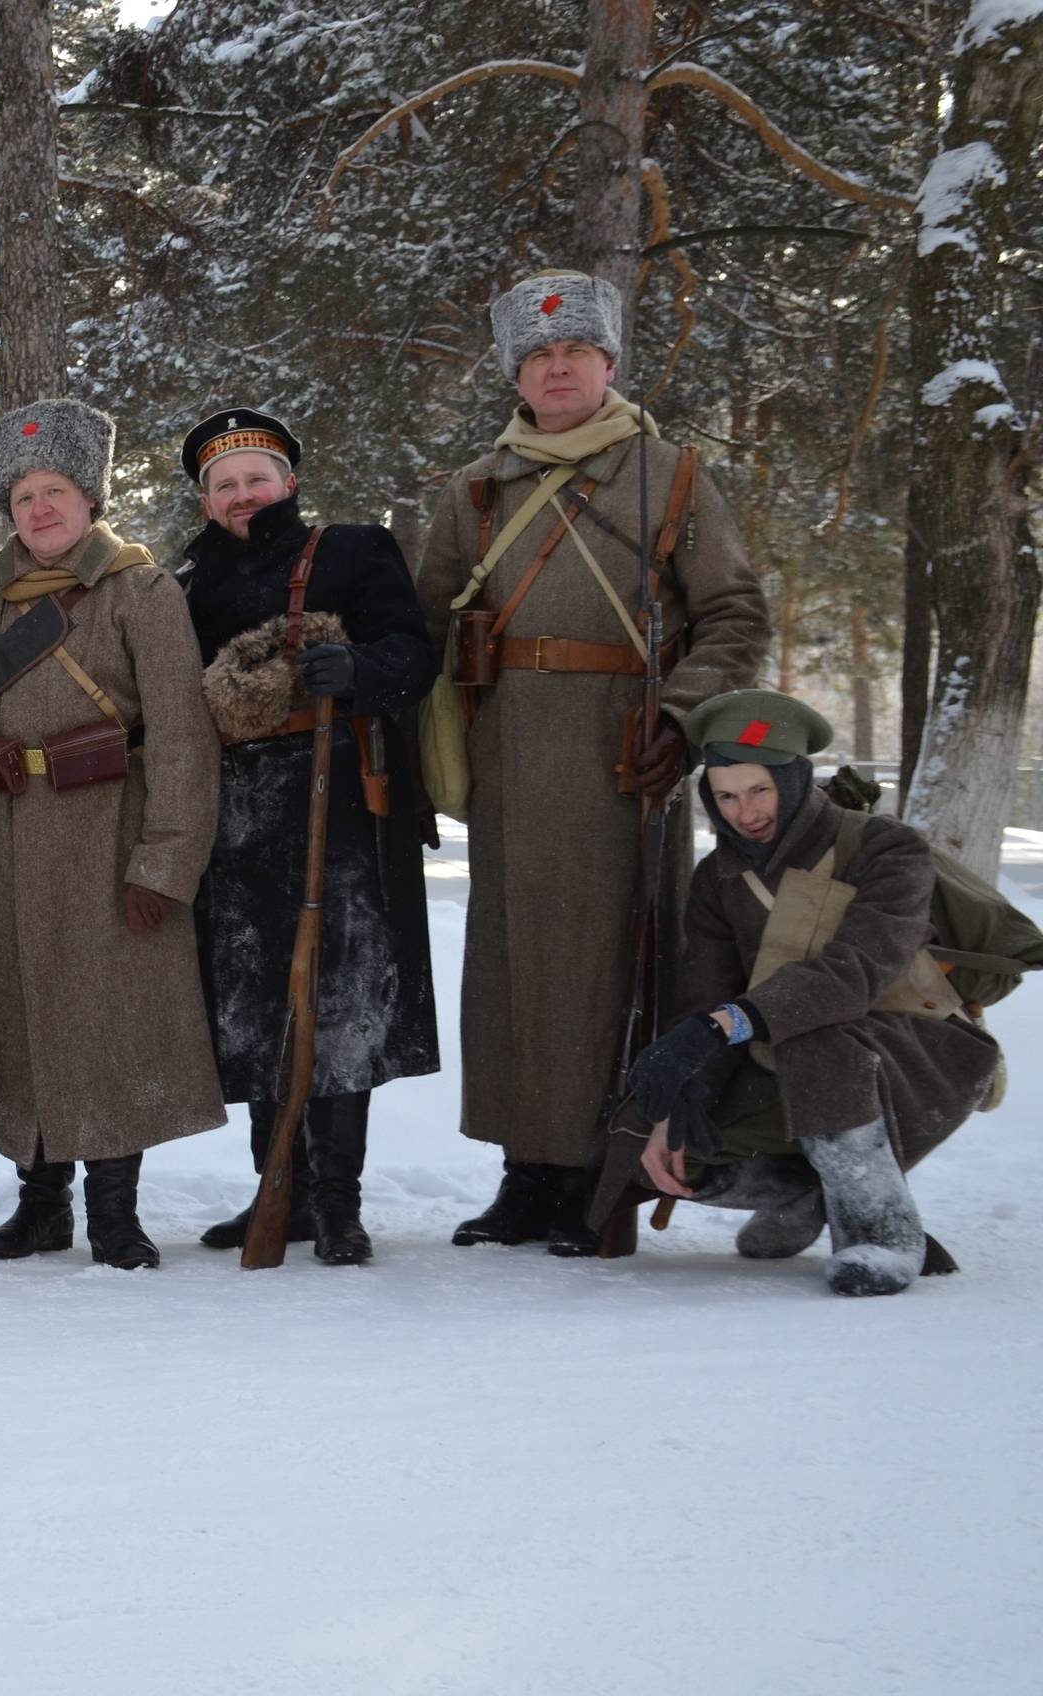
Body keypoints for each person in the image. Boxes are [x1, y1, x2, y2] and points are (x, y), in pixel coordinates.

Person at [414, 269, 770, 1255]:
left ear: (608, 363)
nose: (558, 365)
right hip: (510, 754)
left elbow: (735, 614)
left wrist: (685, 716)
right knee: (515, 967)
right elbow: (422, 620)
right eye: (539, 354)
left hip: (628, 755)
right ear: (517, 376)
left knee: (616, 967)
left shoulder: (671, 474)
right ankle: (525, 1178)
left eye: (575, 351)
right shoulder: (474, 487)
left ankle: (602, 1172)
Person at [0, 398, 224, 1270]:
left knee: (109, 1024)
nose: (39, 509)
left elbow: (180, 736)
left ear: (89, 498)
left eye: (55, 490)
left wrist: (166, 862)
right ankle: (42, 1203)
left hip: (109, 837)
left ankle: (114, 1213)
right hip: (3, 836)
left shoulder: (143, 590)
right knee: (13, 1019)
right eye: (22, 496)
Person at [597, 690, 1001, 1297]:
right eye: (726, 796)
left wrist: (721, 1025)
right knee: (657, 1140)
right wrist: (684, 1094)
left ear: (792, 780)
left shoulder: (886, 848)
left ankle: (882, 1233)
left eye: (759, 790)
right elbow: (709, 998)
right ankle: (816, 1193)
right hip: (779, 1048)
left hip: (916, 1050)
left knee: (818, 1040)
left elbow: (856, 972)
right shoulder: (719, 879)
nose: (744, 812)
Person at [177, 409, 440, 1265]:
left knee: (342, 1005)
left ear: (288, 483)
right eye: (225, 485)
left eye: (256, 479)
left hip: (343, 820)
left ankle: (336, 1201)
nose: (242, 495)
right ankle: (276, 1191)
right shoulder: (187, 585)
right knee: (255, 1007)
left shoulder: (355, 551)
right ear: (207, 500)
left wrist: (362, 670)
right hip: (239, 824)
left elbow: (414, 650)